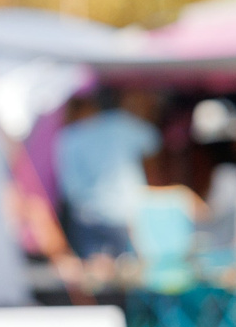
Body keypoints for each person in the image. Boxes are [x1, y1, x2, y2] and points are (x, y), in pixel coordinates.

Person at [53, 89, 162, 258]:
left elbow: (69, 188)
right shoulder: (120, 124)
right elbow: (153, 141)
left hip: (88, 219)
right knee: (130, 272)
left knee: (96, 274)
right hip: (125, 215)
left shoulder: (69, 137)